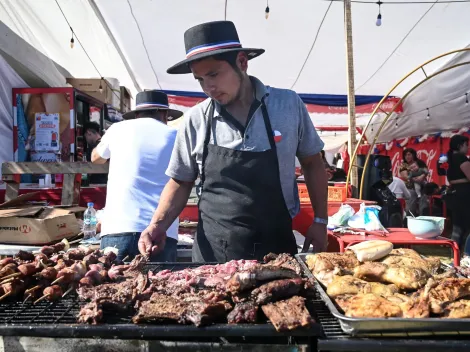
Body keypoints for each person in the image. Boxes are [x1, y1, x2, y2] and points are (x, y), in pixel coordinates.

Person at [138, 21, 328, 262]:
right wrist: (158, 224)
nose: (209, 87)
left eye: (214, 74)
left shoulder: (287, 105)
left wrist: (321, 221)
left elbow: (313, 163)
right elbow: (180, 180)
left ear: (242, 62)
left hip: (277, 247)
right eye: (200, 80)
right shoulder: (196, 119)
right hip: (214, 256)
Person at [91, 90, 183, 262]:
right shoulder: (175, 135)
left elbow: (96, 158)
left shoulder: (117, 129)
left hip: (118, 228)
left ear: (137, 114)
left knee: (111, 288)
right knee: (162, 287)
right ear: (164, 113)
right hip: (162, 231)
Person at [445, 135, 470, 256]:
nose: (468, 147)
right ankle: (466, 254)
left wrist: (456, 182)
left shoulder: (450, 159)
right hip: (465, 196)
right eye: (466, 145)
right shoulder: (461, 158)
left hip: (456, 195)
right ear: (460, 145)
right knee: (465, 227)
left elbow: (451, 180)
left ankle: (454, 255)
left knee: (457, 227)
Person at [399, 148, 428, 215]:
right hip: (410, 188)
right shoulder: (404, 165)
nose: (407, 157)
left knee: (423, 205)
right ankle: (410, 219)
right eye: (405, 155)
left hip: (422, 186)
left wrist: (421, 177)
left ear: (413, 155)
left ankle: (423, 218)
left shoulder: (420, 162)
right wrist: (414, 179)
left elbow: (426, 171)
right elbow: (405, 176)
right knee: (410, 205)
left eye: (409, 154)